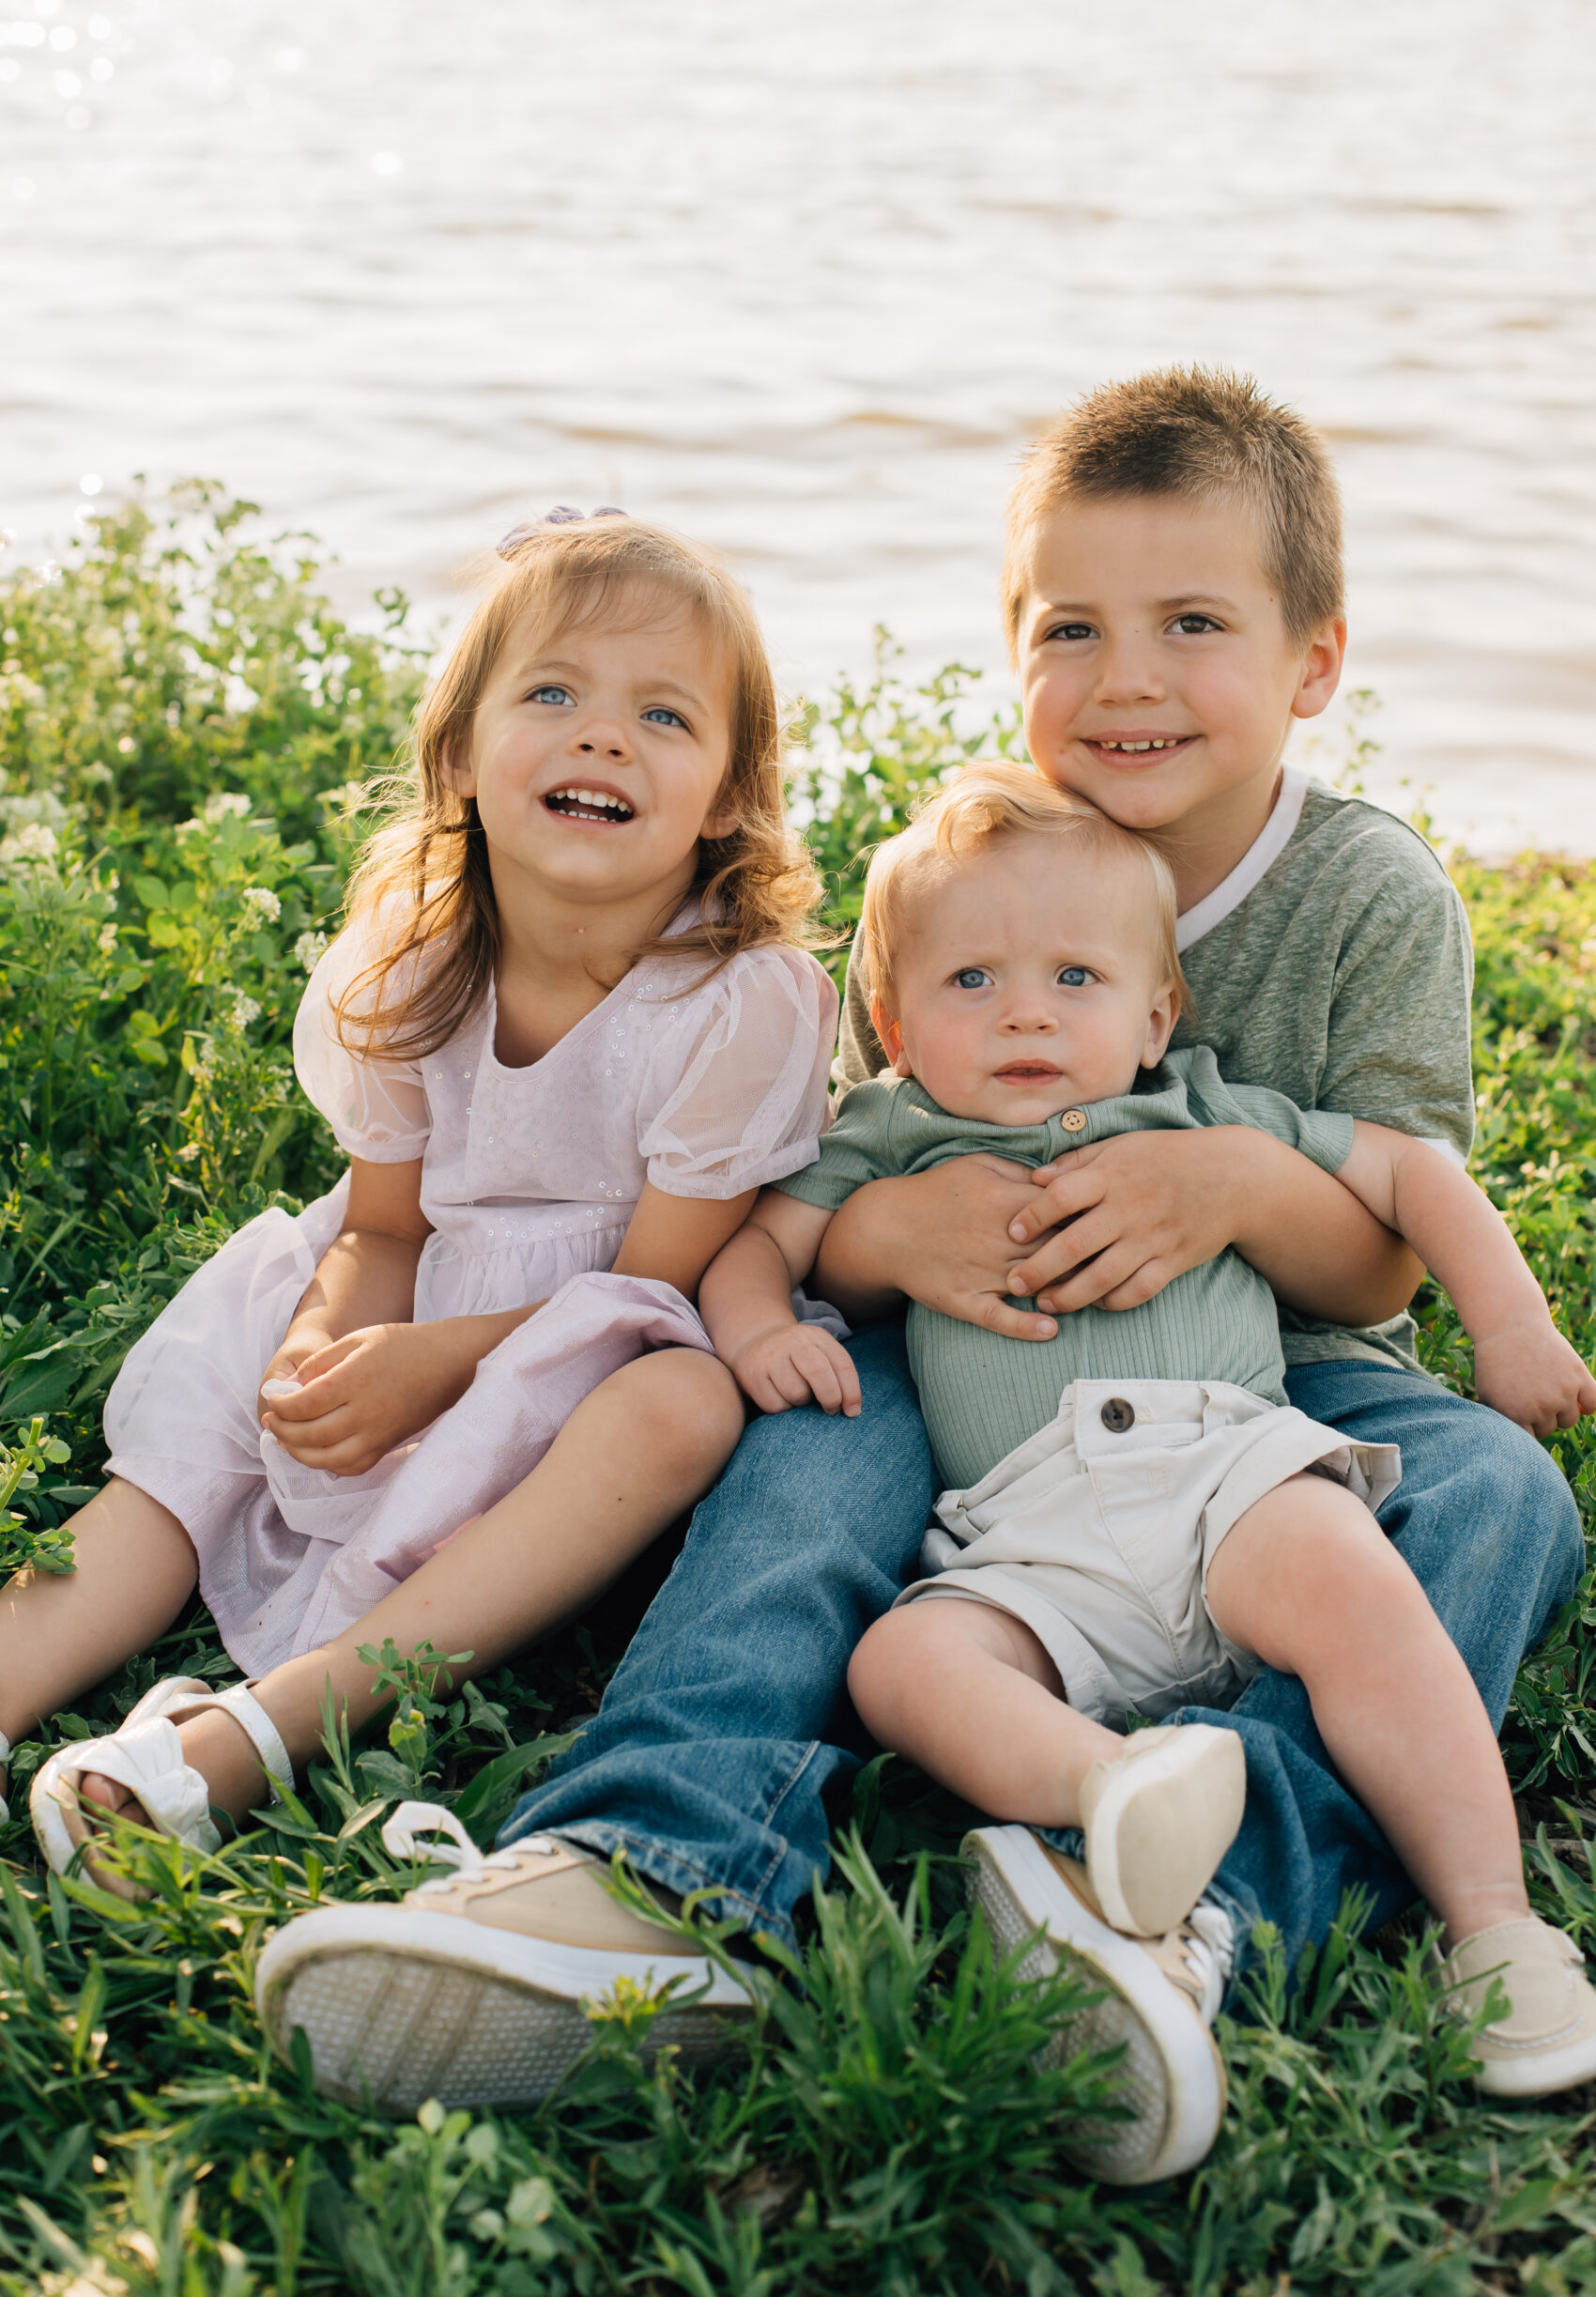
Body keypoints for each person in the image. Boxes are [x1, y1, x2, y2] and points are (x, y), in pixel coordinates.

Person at [254, 371, 1584, 2184]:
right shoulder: (979, 843)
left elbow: (1381, 1266)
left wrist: (1229, 1182)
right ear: (1012, 646)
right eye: (1073, 630)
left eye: (1193, 625)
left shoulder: (1371, 897)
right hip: (969, 1349)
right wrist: (872, 1246)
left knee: (1499, 1492)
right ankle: (657, 1861)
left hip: (1267, 1368)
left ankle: (1170, 1906)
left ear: (1313, 661)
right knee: (809, 1429)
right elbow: (837, 1157)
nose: (1125, 680)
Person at [700, 762, 1596, 2179]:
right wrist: (757, 1326)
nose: (1028, 1012)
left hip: (1223, 1470)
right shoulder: (885, 1133)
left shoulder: (1199, 1105)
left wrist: (1511, 1318)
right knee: (905, 1669)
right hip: (1019, 1535)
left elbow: (1415, 1173)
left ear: (1157, 1012)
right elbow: (763, 1245)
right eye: (973, 981)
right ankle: (1120, 1796)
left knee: (1356, 1585)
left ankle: (1494, 1922)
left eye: (1073, 976)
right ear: (890, 1019)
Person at [6, 512, 836, 1909]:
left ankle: (264, 1727)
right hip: (414, 1286)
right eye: (553, 694)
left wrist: (431, 1369)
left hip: (589, 1348)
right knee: (201, 1455)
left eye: (664, 714)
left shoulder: (740, 1003)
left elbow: (651, 1291)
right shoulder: (412, 958)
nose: (603, 737)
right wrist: (331, 1347)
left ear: (731, 796)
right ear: (458, 754)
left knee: (679, 1406)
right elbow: (383, 1226)